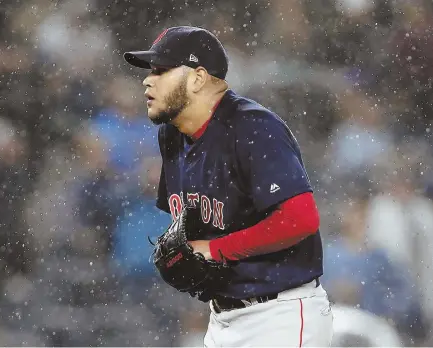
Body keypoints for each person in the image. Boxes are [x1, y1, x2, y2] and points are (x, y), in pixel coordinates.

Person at [123, 26, 333, 347]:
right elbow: (197, 230)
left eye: (162, 70)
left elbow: (300, 219)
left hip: (281, 316)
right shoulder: (172, 135)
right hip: (222, 319)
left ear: (197, 78)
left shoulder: (253, 127)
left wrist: (217, 250)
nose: (148, 79)